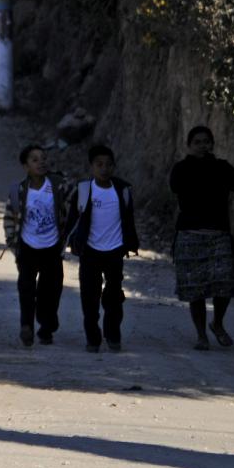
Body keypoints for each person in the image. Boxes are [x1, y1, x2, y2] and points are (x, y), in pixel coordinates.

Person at [169, 126, 234, 350]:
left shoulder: (221, 167)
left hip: (219, 235)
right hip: (189, 236)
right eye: (198, 142)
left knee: (225, 283)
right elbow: (175, 188)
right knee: (195, 289)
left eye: (206, 141)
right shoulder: (181, 169)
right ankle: (201, 335)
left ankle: (217, 323)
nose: (202, 145)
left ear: (211, 144)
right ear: (189, 145)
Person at [63, 145, 139, 353]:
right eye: (99, 165)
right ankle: (93, 338)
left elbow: (128, 220)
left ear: (114, 166)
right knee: (89, 298)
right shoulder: (84, 190)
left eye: (108, 165)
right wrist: (68, 243)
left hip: (115, 251)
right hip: (90, 252)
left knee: (114, 296)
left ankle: (113, 334)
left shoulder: (122, 190)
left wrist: (131, 243)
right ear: (91, 167)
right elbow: (72, 220)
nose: (104, 169)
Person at [3, 145, 71, 347]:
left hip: (52, 248)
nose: (41, 162)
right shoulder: (19, 191)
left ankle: (46, 326)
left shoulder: (58, 185)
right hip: (27, 248)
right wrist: (13, 244)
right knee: (26, 289)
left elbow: (74, 205)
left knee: (52, 290)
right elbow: (9, 218)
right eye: (34, 159)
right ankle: (27, 327)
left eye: (43, 158)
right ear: (25, 166)